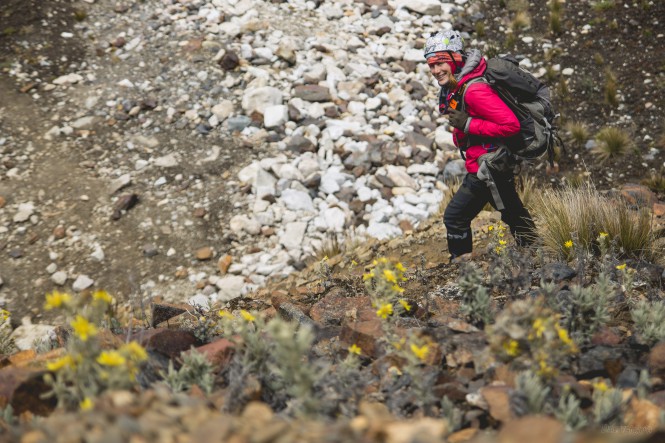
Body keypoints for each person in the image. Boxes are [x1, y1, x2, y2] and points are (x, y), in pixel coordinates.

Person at [424, 30, 536, 260]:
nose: (435, 70)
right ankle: (535, 251)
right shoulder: (461, 84)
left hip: (488, 166)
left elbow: (511, 126)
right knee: (512, 212)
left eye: (440, 63)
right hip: (493, 162)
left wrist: (468, 124)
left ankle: (463, 267)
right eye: (431, 65)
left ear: (455, 59)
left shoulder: (474, 90)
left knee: (455, 217)